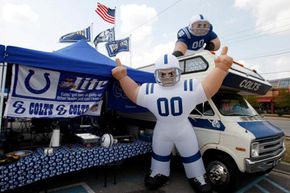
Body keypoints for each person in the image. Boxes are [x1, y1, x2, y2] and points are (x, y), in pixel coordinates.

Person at [112, 47, 233, 193]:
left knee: (191, 154)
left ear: (177, 72)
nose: (168, 77)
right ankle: (159, 172)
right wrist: (123, 77)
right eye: (163, 74)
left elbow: (208, 89)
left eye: (171, 73)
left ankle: (198, 176)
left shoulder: (188, 86)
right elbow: (134, 93)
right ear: (157, 74)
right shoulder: (151, 89)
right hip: (162, 129)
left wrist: (220, 69)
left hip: (183, 129)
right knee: (159, 154)